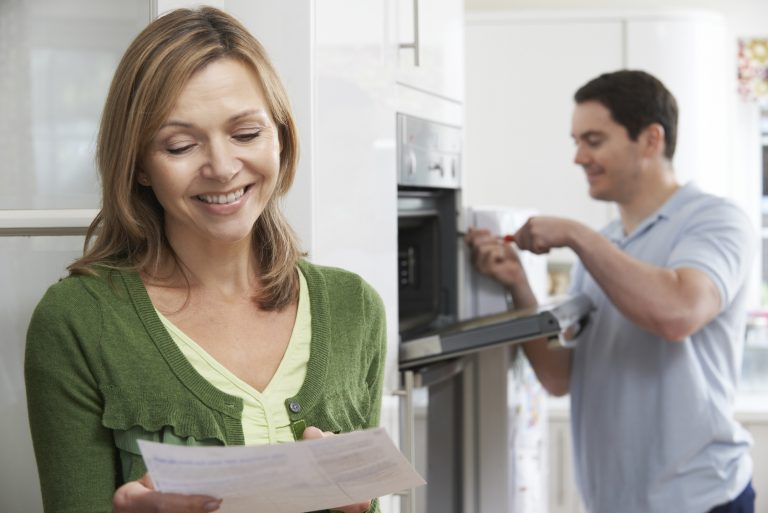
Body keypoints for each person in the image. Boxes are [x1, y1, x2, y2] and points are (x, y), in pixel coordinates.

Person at [24, 7, 385, 513]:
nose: (221, 167)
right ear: (140, 165)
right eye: (181, 145)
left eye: (246, 134)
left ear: (280, 135)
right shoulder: (76, 322)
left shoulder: (355, 308)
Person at [466, 70, 757, 513]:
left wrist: (575, 234)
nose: (579, 157)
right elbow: (559, 376)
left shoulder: (716, 220)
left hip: (701, 502)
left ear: (650, 140)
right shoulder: (606, 245)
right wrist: (519, 287)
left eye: (594, 140)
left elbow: (678, 313)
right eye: (576, 141)